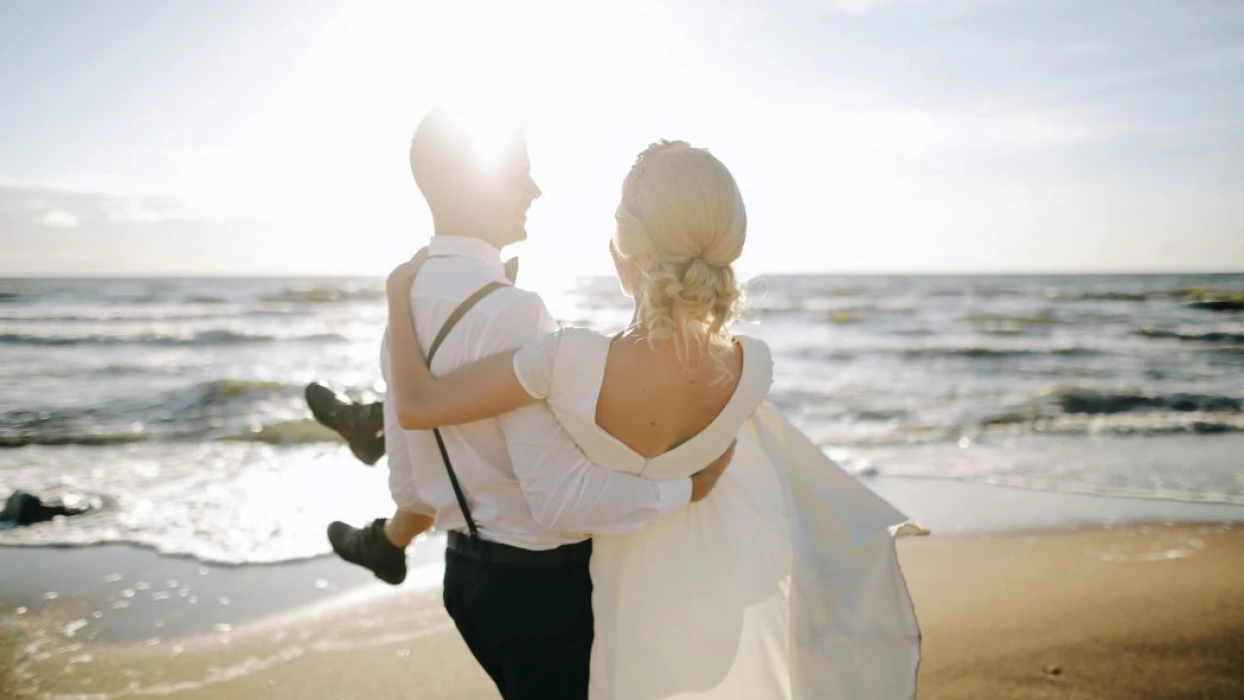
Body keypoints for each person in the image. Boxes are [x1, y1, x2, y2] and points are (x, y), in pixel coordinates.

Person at [381, 140, 924, 699]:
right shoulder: (754, 367)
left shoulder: (567, 362)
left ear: (629, 246)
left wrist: (399, 297)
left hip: (614, 615)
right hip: (704, 612)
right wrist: (688, 486)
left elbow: (419, 406)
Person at [330, 107, 734, 700]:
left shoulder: (406, 306)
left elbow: (411, 487)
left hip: (464, 582)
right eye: (518, 172)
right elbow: (560, 502)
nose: (535, 189)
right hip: (541, 593)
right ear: (466, 182)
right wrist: (686, 489)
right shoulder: (516, 311)